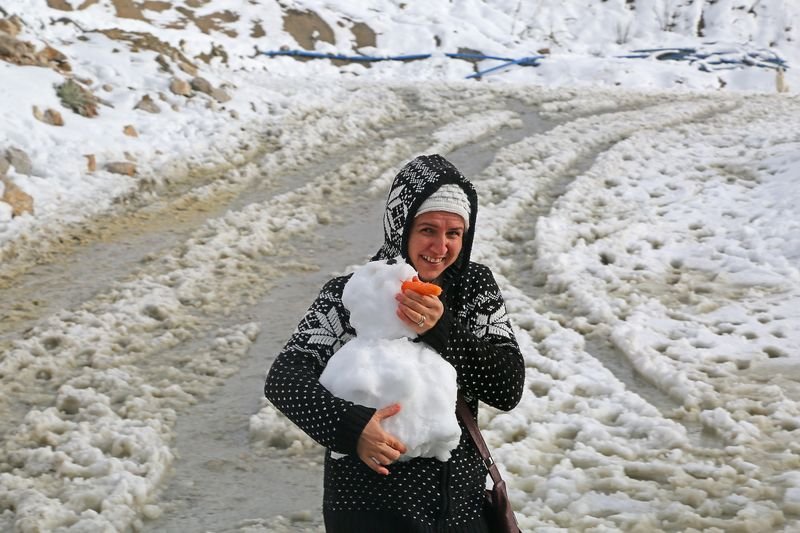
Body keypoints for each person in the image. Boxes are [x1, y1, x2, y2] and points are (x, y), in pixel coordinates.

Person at [264, 154, 525, 532]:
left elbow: (507, 387)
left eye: (454, 233)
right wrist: (352, 428)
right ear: (400, 226)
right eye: (427, 230)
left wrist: (441, 328)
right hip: (369, 511)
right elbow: (285, 378)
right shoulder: (351, 295)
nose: (440, 246)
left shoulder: (473, 289)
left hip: (459, 509)